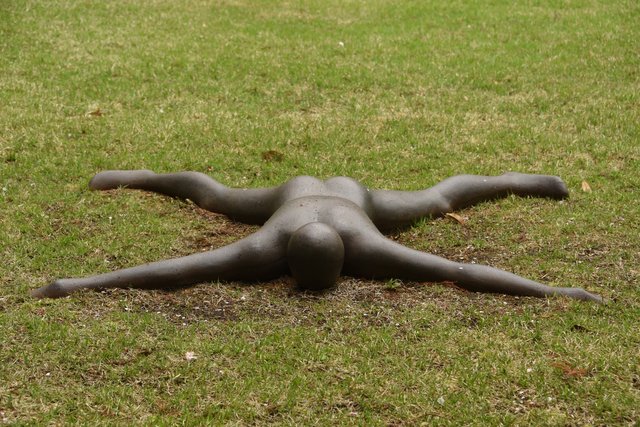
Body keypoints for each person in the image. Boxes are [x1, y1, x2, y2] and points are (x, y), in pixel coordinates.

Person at [31, 170, 602, 302]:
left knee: (437, 200)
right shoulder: (265, 247)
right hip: (307, 193)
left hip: (345, 198)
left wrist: (78, 283)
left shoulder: (365, 246)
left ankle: (525, 181)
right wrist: (76, 283)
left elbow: (182, 268)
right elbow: (178, 269)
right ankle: (133, 176)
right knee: (218, 197)